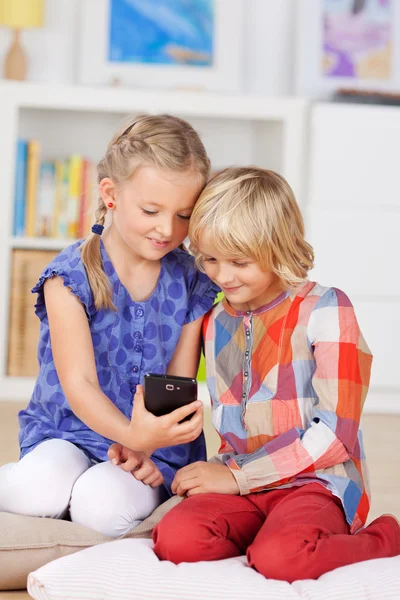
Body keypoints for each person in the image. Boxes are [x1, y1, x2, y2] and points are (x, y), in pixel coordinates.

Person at [152, 166, 400, 581]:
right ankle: (269, 533)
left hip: (316, 483)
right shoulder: (214, 320)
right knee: (176, 539)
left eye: (239, 262)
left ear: (277, 248)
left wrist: (238, 477)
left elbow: (336, 437)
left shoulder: (327, 310)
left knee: (283, 558)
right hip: (242, 480)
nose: (222, 275)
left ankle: (386, 538)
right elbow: (176, 389)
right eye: (209, 259)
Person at [0, 114, 219, 537]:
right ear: (111, 194)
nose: (167, 229)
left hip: (154, 445)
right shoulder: (70, 276)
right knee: (36, 490)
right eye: (151, 210)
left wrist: (146, 442)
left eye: (183, 215)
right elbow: (78, 384)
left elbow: (176, 382)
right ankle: (58, 496)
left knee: (101, 508)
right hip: (69, 432)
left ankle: (82, 503)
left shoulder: (192, 279)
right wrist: (128, 433)